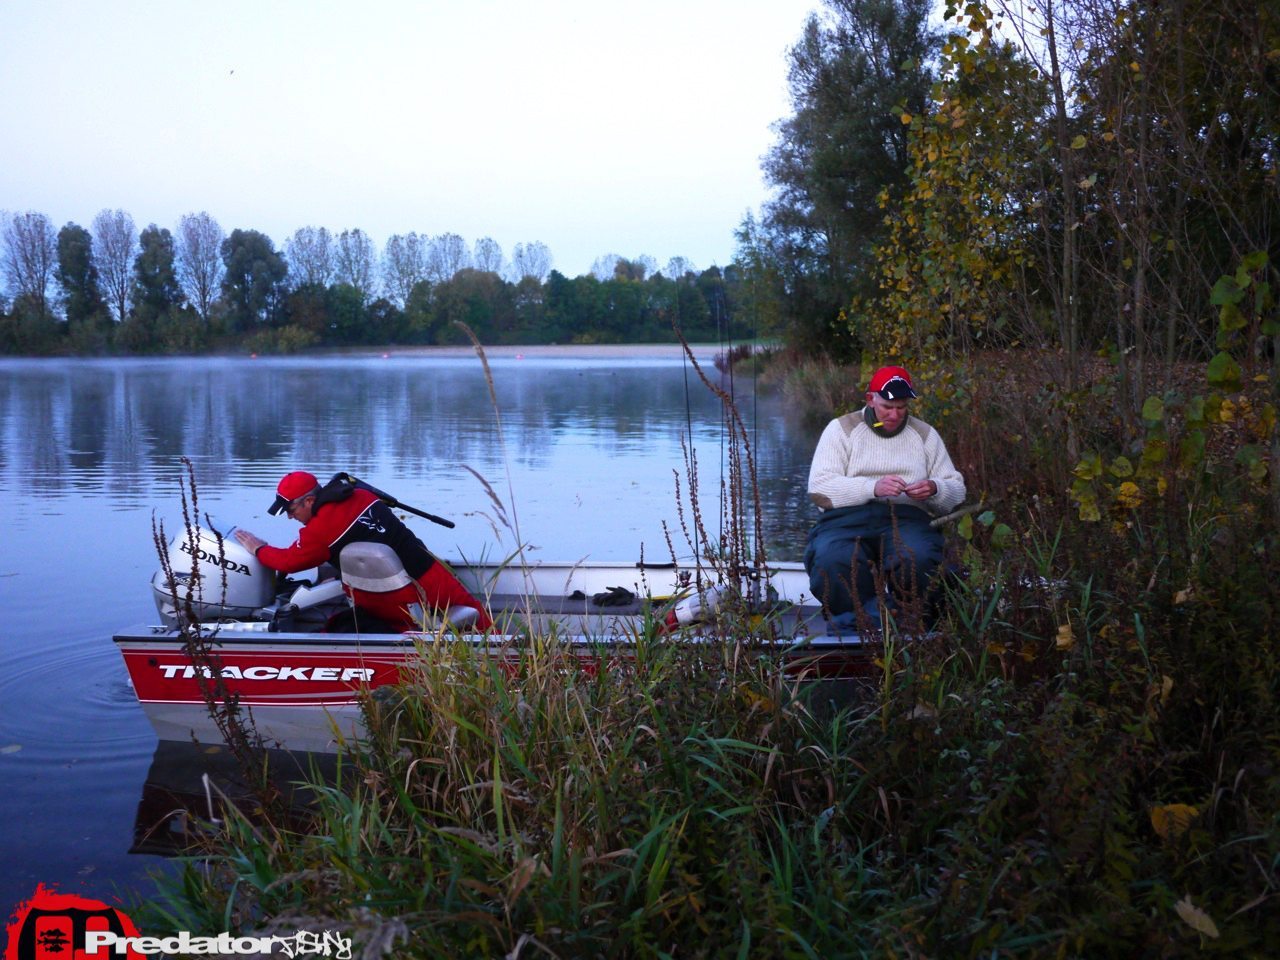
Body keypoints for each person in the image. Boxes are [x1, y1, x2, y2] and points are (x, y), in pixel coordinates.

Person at [804, 365, 965, 631]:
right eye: (887, 407)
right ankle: (857, 624)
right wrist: (872, 488)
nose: (895, 415)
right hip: (844, 520)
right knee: (832, 559)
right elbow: (820, 489)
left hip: (906, 519)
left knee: (920, 557)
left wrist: (935, 488)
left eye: (901, 407)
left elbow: (956, 489)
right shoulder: (841, 429)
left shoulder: (924, 434)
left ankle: (913, 623)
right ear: (870, 399)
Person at [233, 471, 493, 632]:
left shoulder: (320, 530)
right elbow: (365, 535)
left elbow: (289, 562)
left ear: (310, 501)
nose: (291, 517)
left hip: (400, 597)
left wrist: (259, 549)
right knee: (483, 624)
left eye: (291, 510)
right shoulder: (361, 495)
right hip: (429, 569)